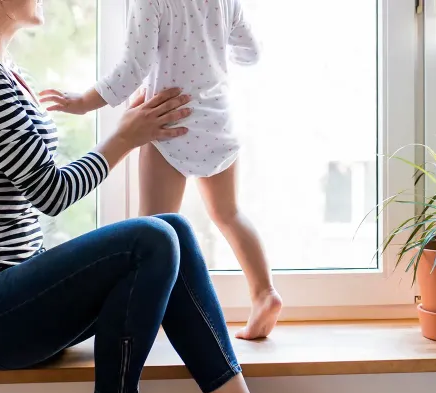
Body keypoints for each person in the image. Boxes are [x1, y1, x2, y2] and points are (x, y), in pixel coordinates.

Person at [0, 0, 339, 393]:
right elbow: (52, 191)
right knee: (150, 238)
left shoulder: (2, 69)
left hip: (5, 299)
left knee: (173, 230)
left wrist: (130, 128)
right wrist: (126, 138)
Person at [44, 0, 282, 340]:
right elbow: (251, 52)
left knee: (153, 228)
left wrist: (83, 102)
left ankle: (146, 315)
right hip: (218, 121)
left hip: (169, 123)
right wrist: (209, 58)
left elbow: (131, 69)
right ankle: (264, 293)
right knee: (229, 213)